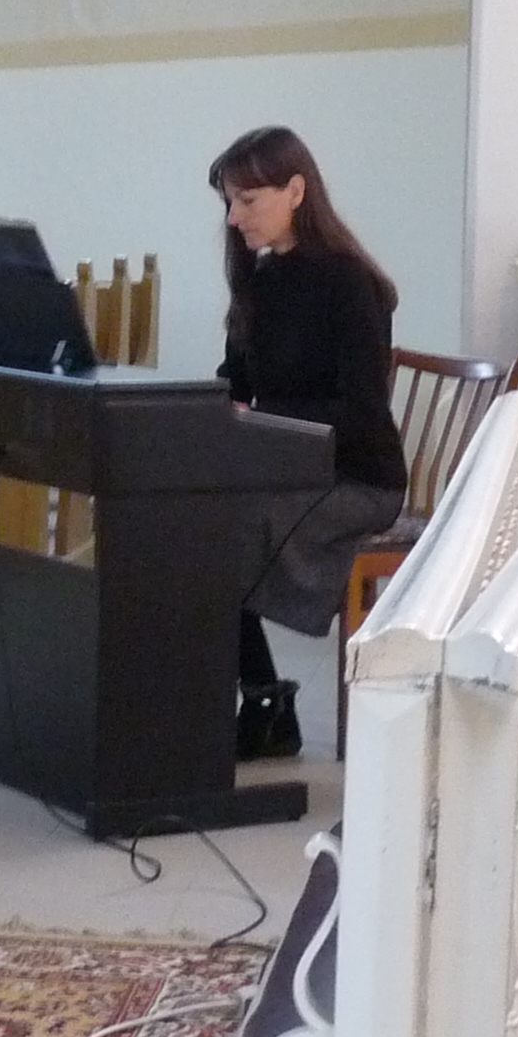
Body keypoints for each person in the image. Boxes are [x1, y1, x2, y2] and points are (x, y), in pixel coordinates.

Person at [210, 125, 408, 760]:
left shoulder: (349, 284)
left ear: (296, 191)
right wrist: (219, 406)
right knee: (188, 512)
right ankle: (259, 700)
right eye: (230, 202)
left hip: (358, 479)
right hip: (291, 466)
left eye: (248, 200)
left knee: (223, 527)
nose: (234, 217)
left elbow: (358, 411)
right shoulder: (262, 278)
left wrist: (260, 415)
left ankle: (262, 706)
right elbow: (236, 378)